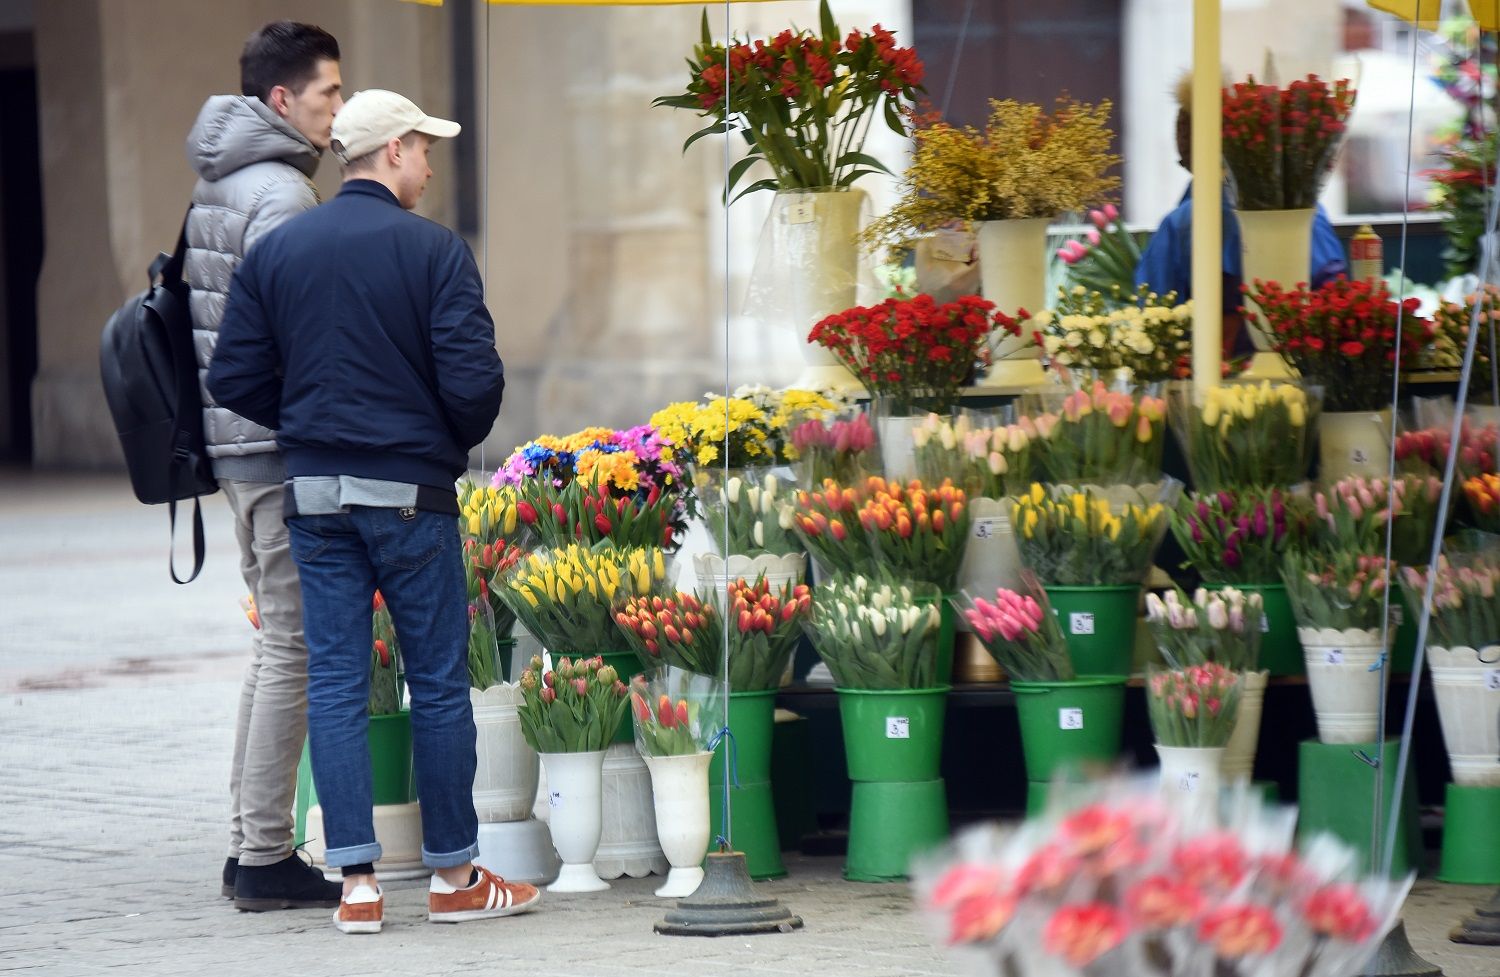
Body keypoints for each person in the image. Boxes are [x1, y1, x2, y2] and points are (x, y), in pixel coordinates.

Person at [208, 89, 531, 935]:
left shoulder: (282, 251)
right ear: (392, 151)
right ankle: (455, 875)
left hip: (313, 495)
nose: (429, 164)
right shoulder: (434, 251)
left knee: (339, 683)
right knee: (438, 683)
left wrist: (309, 418)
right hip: (411, 496)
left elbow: (233, 378)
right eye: (424, 149)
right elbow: (474, 384)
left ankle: (356, 885)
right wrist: (432, 437)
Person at [184, 20, 344, 912]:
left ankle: (252, 840)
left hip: (236, 442)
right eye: (328, 94)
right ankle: (266, 856)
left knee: (275, 641)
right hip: (275, 443)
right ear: (281, 100)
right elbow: (301, 337)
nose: (339, 110)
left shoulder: (220, 178)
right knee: (297, 644)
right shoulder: (282, 193)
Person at [1135, 74, 1348, 355]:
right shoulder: (1305, 211)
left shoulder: (1183, 223)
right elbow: (1336, 294)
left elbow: (1155, 316)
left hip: (1217, 372)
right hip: (1308, 366)